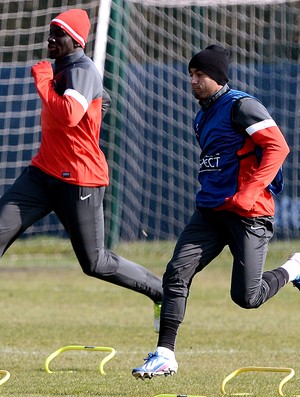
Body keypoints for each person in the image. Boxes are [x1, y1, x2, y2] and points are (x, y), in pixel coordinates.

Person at [132, 44, 300, 379]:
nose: (192, 81)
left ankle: (294, 268)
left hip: (249, 214)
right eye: (190, 75)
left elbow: (277, 147)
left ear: (218, 77)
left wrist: (249, 192)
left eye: (199, 75)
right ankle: (165, 355)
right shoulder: (202, 115)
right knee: (176, 274)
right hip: (210, 211)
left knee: (247, 298)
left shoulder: (242, 105)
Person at [0, 9, 162, 331]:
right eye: (50, 31)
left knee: (95, 262)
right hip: (43, 173)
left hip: (79, 180)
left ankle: (161, 291)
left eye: (58, 34)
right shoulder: (64, 69)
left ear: (75, 40)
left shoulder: (82, 69)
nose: (51, 38)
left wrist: (44, 82)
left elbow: (69, 114)